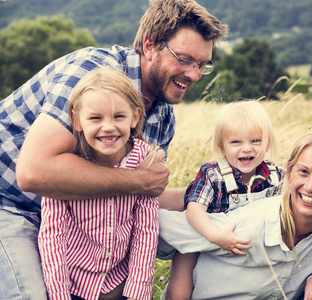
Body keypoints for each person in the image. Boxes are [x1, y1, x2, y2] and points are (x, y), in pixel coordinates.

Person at [0, 0, 228, 298]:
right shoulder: (92, 75)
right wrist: (138, 182)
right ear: (150, 46)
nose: (194, 74)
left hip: (69, 217)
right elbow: (32, 173)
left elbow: (144, 196)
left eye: (201, 65)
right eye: (184, 59)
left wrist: (214, 193)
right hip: (11, 204)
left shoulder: (162, 116)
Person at [158, 129, 312, 299]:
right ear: (288, 173)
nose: (310, 186)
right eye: (303, 172)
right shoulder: (248, 224)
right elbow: (162, 227)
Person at [38, 68, 159, 300]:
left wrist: (138, 292)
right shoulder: (66, 163)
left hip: (120, 281)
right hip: (74, 283)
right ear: (77, 120)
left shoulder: (144, 159)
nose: (108, 127)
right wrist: (59, 296)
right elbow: (52, 235)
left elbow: (146, 230)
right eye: (95, 118)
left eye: (118, 116)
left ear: (135, 117)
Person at [165, 101, 284, 300]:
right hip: (206, 233)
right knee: (184, 262)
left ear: (267, 144)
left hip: (247, 242)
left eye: (255, 141)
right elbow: (194, 210)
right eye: (236, 142)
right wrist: (215, 235)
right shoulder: (213, 174)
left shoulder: (275, 176)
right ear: (222, 147)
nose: (247, 149)